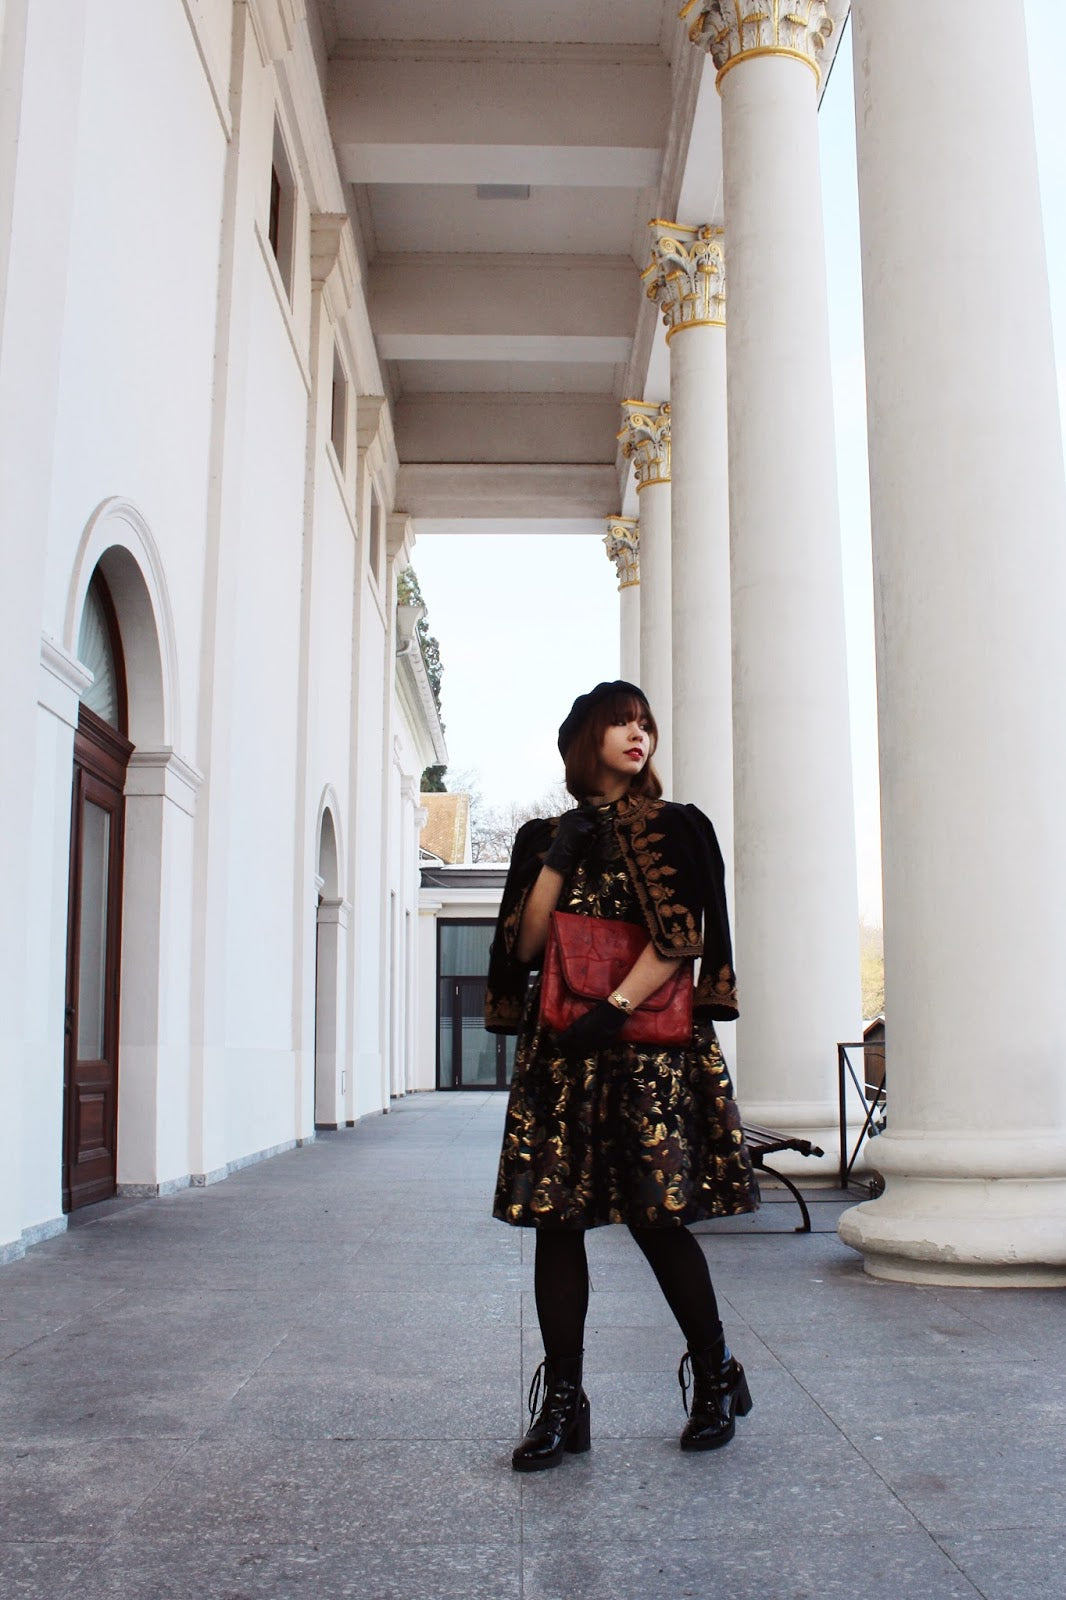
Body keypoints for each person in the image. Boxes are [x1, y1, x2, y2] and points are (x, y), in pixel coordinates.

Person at [485, 680, 758, 1472]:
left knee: (657, 1217)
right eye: (621, 724)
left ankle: (716, 1374)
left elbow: (683, 936)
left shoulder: (677, 825)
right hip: (564, 1055)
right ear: (586, 739)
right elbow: (528, 947)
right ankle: (564, 1404)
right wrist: (561, 853)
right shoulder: (543, 835)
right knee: (555, 1220)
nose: (639, 735)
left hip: (647, 1054)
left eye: (646, 724)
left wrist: (614, 1006)